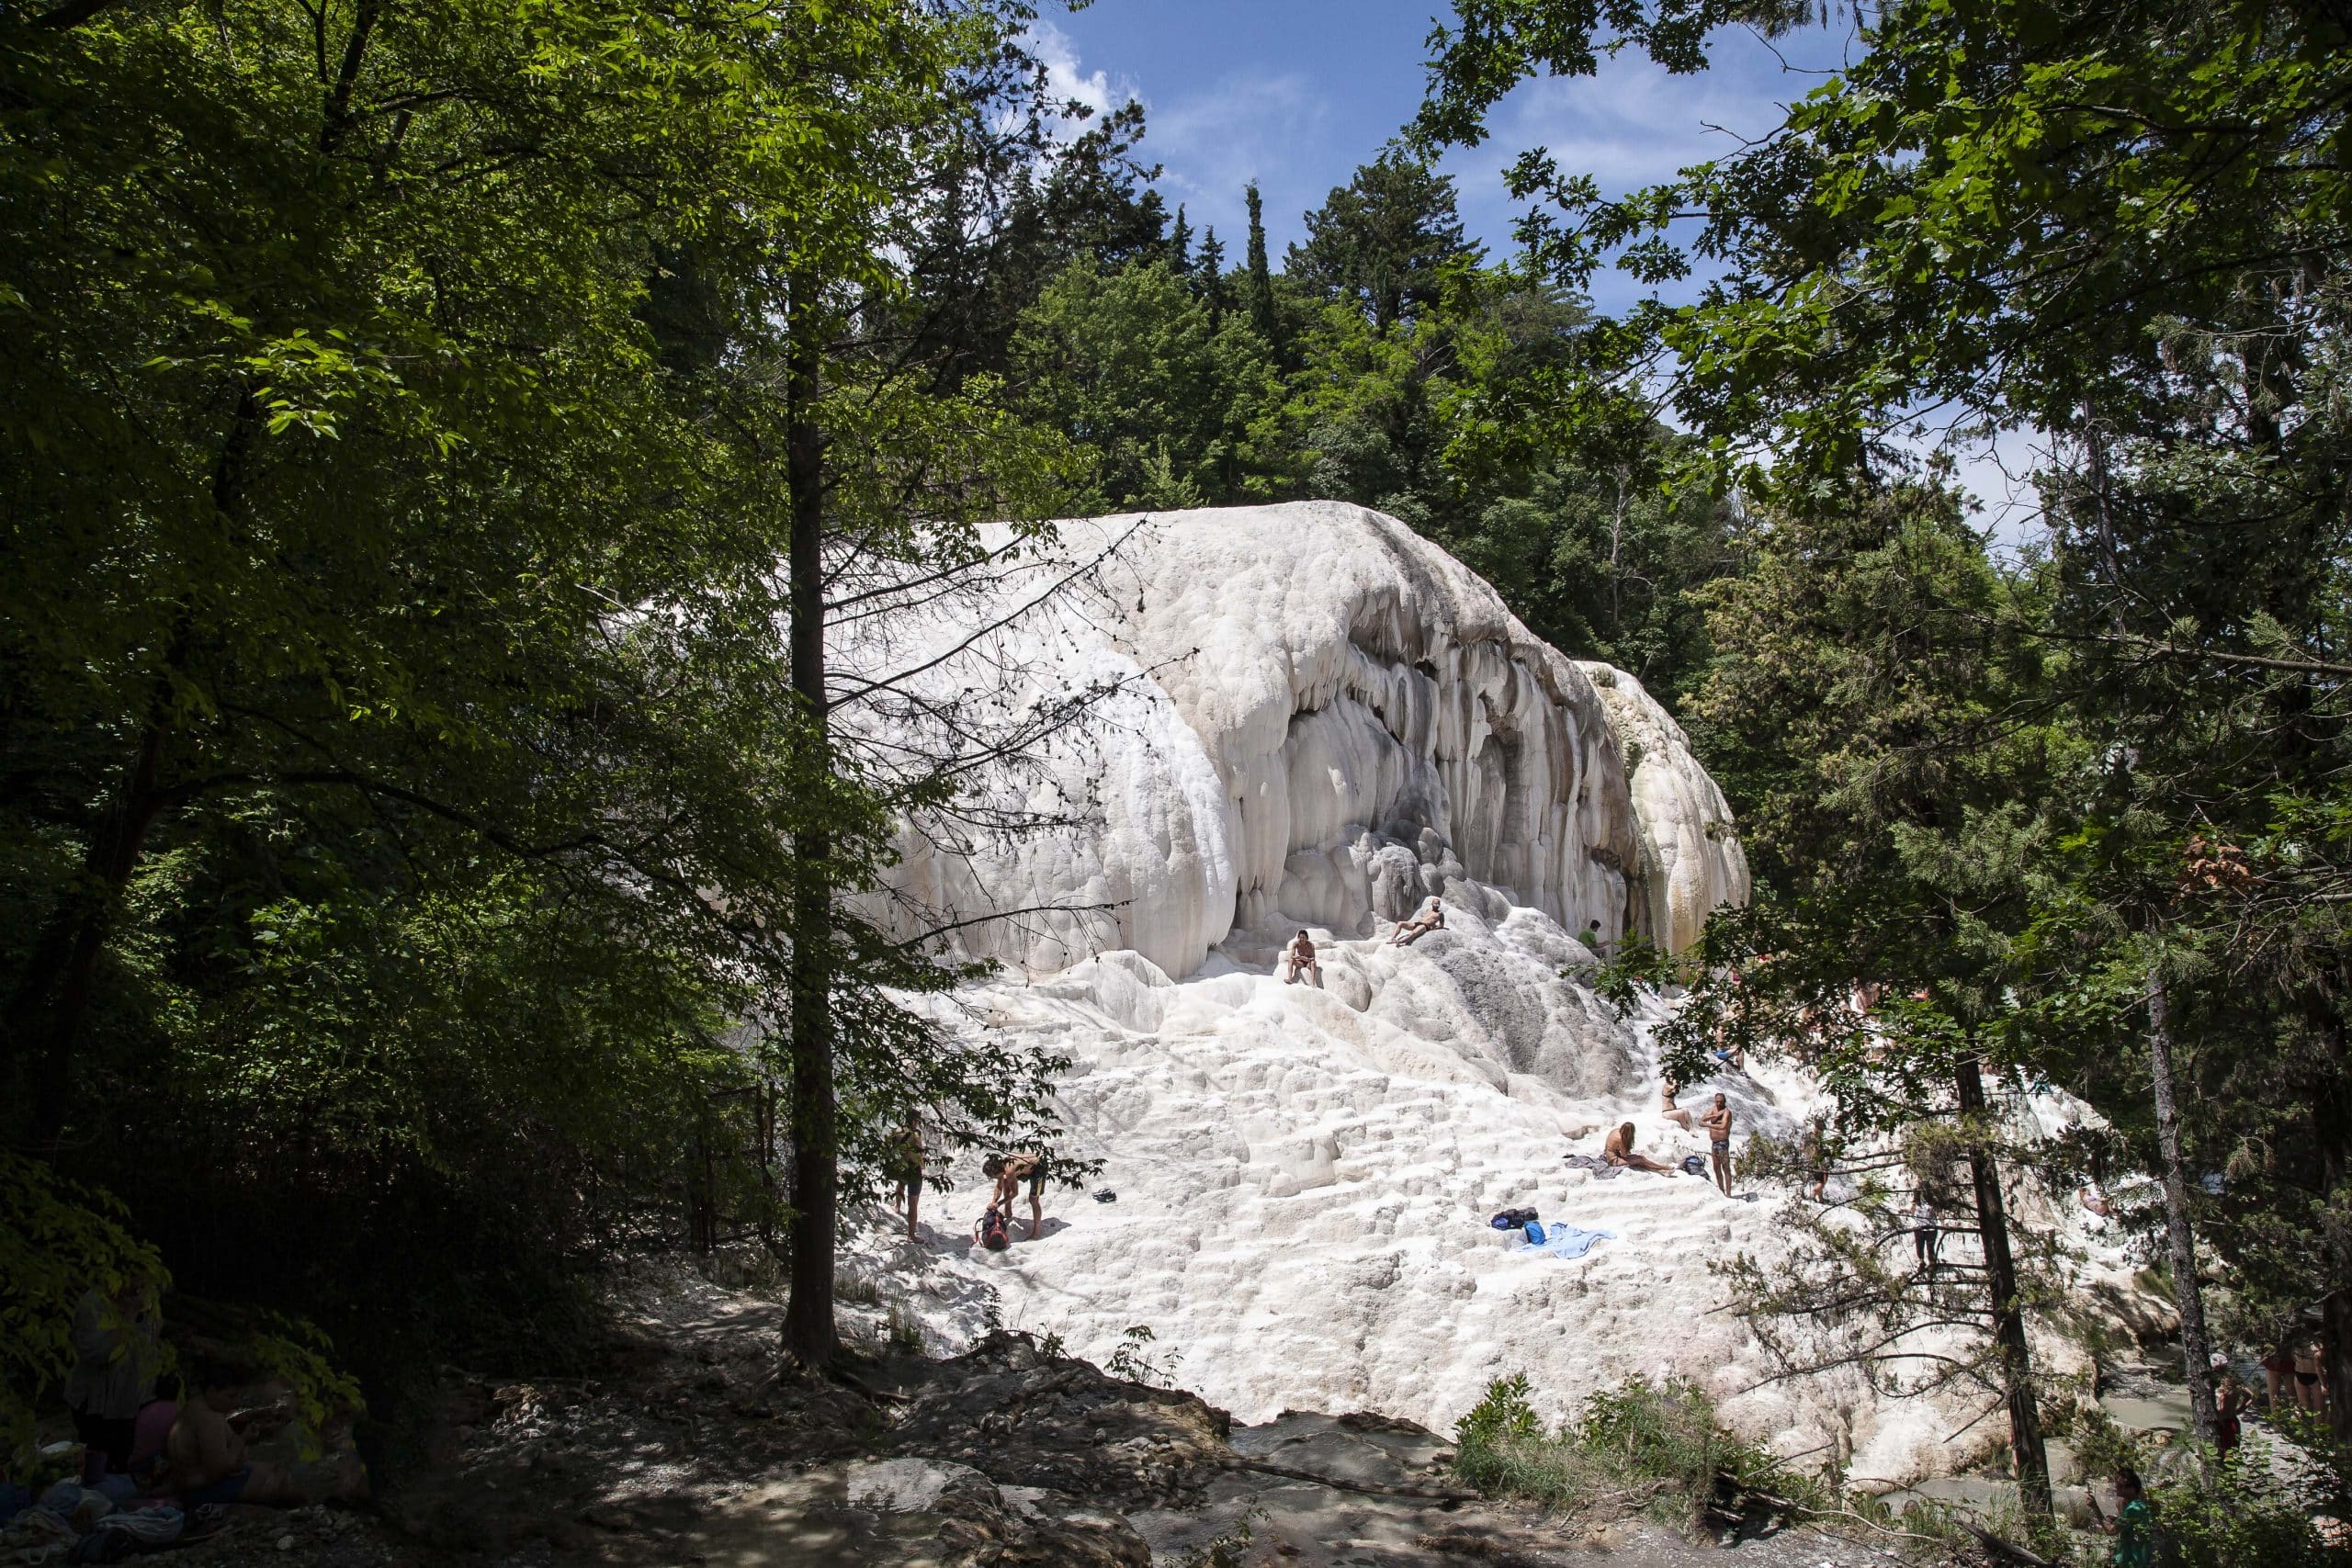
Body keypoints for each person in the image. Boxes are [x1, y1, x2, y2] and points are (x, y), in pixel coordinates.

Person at [168, 1359, 305, 1508]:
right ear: (212, 1391)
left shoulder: (195, 1404)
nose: (235, 1402)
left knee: (276, 1470)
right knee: (283, 1486)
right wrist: (242, 1439)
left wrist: (256, 1415)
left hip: (191, 1483)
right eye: (231, 1396)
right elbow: (217, 1471)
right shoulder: (210, 1420)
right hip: (201, 1491)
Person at [65, 1281, 159, 1482]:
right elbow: (96, 1353)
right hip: (94, 1402)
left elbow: (149, 1346)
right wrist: (130, 1316)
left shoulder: (145, 1300)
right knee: (98, 1462)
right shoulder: (93, 1304)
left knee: (123, 1461)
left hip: (130, 1400)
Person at [2088, 1466, 2153, 1568]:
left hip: (2131, 1560)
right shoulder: (2137, 1505)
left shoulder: (2134, 1509)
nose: (2116, 1487)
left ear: (2132, 1489)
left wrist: (2095, 1507)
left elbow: (2111, 1531)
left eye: (2120, 1485)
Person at [884, 1116, 924, 1241]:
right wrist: (922, 1164)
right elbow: (919, 1151)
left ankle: (897, 1206)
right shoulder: (916, 1134)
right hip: (913, 1169)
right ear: (913, 1120)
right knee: (913, 1202)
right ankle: (911, 1235)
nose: (918, 1123)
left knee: (901, 1184)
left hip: (900, 1167)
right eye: (917, 1121)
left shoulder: (896, 1131)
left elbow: (888, 1147)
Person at [1602, 1122, 1676, 1177]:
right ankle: (1664, 1167)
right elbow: (1624, 1155)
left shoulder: (1616, 1131)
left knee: (1639, 1161)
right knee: (1641, 1159)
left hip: (1611, 1157)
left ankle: (1662, 1171)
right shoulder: (1620, 1139)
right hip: (1614, 1161)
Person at [1699, 1094, 1734, 1196]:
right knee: (1716, 1167)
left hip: (1723, 1142)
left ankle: (1729, 1193)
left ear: (1724, 1102)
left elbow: (1723, 1126)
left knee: (1726, 1167)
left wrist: (1707, 1125)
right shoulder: (1713, 1110)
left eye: (1721, 1102)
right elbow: (1702, 1119)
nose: (1719, 1103)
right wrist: (1714, 1116)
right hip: (1714, 1143)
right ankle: (1721, 1191)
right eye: (1717, 1101)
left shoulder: (1727, 1112)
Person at [2294, 1338, 2328, 1416]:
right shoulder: (2295, 1338)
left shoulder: (2317, 1342)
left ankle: (2319, 1426)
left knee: (2318, 1410)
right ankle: (2303, 1426)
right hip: (2299, 1373)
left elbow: (2318, 1365)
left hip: (2315, 1376)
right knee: (2303, 1407)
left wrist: (2323, 1384)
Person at [1910, 1194, 1940, 1276]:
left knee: (1930, 1247)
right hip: (1919, 1228)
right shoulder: (1915, 1204)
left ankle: (1932, 1263)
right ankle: (1922, 1262)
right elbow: (1911, 1211)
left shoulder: (1932, 1202)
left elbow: (1937, 1212)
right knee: (1919, 1247)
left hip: (1931, 1228)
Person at [2263, 1343, 2297, 1413]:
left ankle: (2295, 1419)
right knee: (2273, 1393)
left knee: (2292, 1392)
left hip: (2288, 1358)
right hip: (2273, 1359)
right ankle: (2277, 1421)